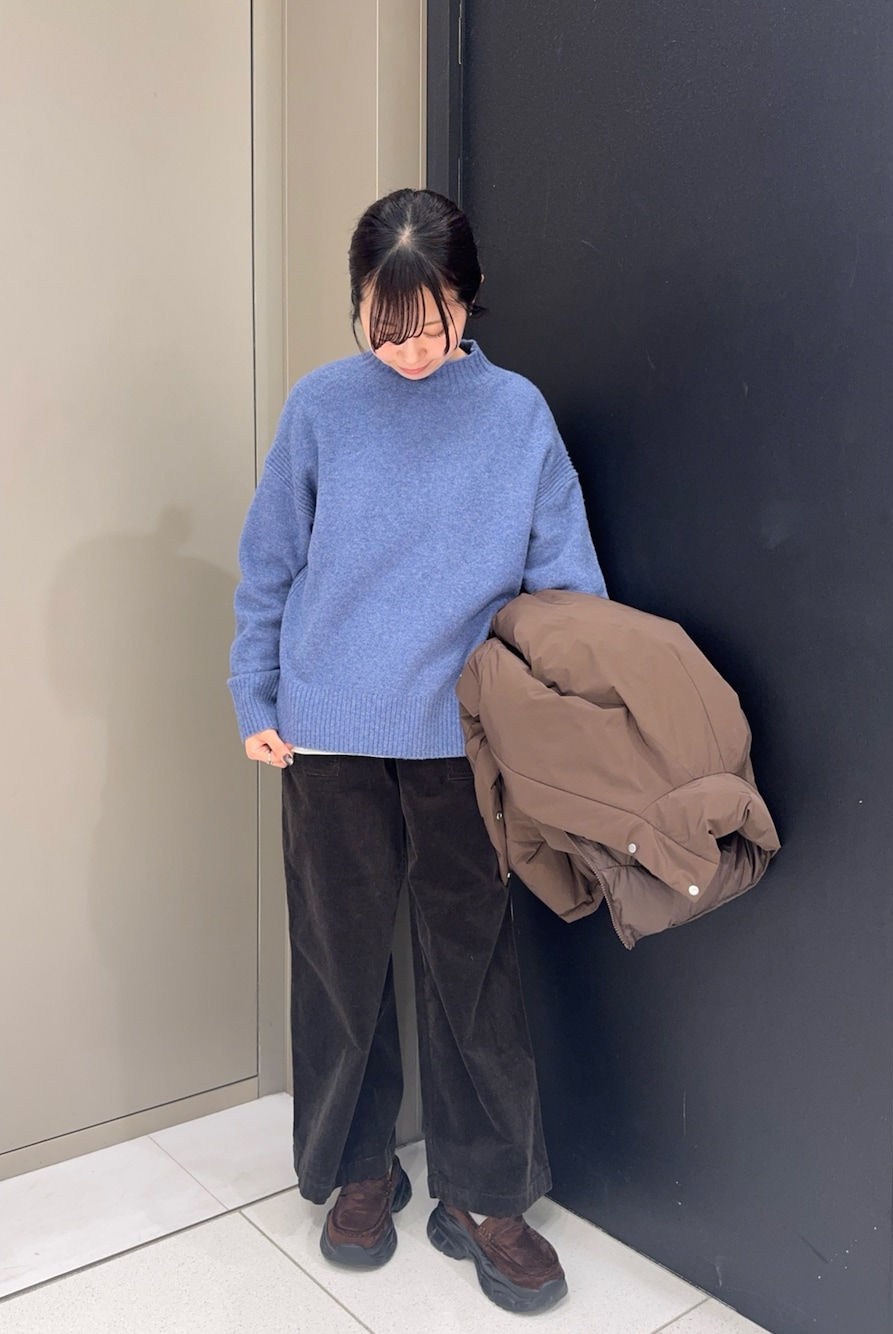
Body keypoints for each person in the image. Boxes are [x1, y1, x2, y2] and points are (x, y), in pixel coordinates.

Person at [228, 188, 606, 1315]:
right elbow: (269, 564)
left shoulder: (516, 414)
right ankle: (358, 1167)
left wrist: (568, 710)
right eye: (381, 325)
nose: (405, 348)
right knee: (336, 959)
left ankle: (486, 1195)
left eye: (428, 322)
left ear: (467, 297)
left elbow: (567, 577)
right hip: (325, 730)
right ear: (356, 305)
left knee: (472, 964)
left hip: (463, 736)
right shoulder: (320, 406)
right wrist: (253, 690)